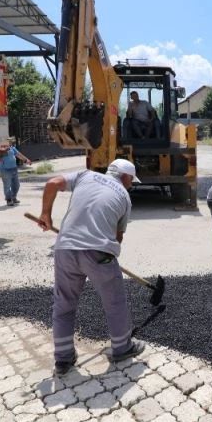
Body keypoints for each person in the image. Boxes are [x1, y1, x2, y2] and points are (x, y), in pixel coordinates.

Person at [38, 159, 146, 375]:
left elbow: (51, 183)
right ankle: (122, 347)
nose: (131, 185)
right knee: (114, 302)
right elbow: (117, 237)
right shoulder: (124, 197)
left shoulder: (84, 175)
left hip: (65, 249)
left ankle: (63, 359)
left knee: (64, 305)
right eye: (131, 181)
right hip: (99, 254)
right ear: (125, 178)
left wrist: (46, 214)